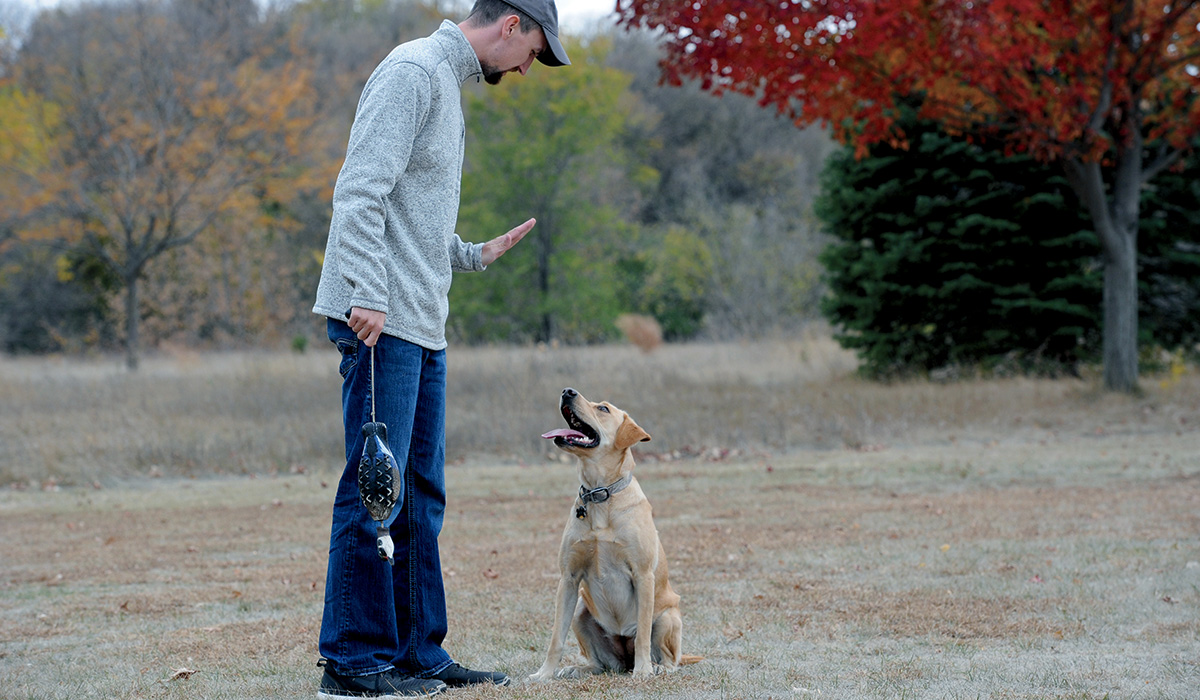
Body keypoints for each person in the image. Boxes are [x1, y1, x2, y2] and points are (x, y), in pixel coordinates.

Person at [310, 1, 570, 697]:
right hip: (379, 320)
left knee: (421, 495)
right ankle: (353, 662)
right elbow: (359, 192)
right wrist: (366, 287)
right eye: (534, 52)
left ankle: (418, 652)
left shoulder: (444, 88)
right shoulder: (412, 72)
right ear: (511, 24)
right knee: (376, 494)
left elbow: (409, 222)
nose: (527, 69)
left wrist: (473, 255)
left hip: (422, 322)